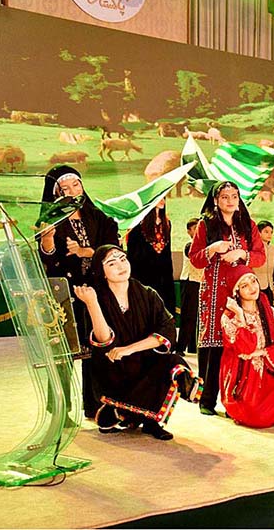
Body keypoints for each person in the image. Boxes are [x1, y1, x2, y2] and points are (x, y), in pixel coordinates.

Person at [74, 245, 202, 440]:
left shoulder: (147, 294)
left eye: (123, 258)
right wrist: (92, 304)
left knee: (172, 362)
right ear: (102, 272)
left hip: (142, 360)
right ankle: (119, 412)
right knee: (125, 366)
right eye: (112, 262)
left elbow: (166, 329)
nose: (120, 265)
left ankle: (148, 417)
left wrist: (130, 349)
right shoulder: (97, 296)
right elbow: (104, 343)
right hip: (114, 367)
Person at [38, 164, 120, 418]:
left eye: (76, 185)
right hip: (65, 294)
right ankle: (61, 408)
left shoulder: (99, 218)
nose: (72, 191)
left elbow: (114, 249)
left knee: (98, 349)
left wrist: (88, 252)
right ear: (56, 194)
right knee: (63, 351)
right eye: (64, 188)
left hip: (97, 293)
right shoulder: (50, 222)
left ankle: (96, 405)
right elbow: (48, 261)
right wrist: (48, 242)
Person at [189, 181, 265, 416]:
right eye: (224, 197)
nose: (230, 200)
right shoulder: (206, 225)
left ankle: (235, 400)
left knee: (239, 345)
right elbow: (195, 259)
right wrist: (213, 248)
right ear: (216, 200)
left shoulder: (248, 225)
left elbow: (260, 256)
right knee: (213, 345)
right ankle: (206, 400)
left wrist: (242, 253)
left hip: (241, 293)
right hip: (214, 294)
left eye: (234, 196)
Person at [220, 267, 274, 428]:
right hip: (243, 376)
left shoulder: (269, 312)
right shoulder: (230, 318)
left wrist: (263, 352)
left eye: (253, 281)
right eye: (244, 285)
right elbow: (246, 348)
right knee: (255, 413)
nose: (252, 288)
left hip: (267, 368)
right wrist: (240, 316)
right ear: (236, 291)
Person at [126, 199, 176, 332]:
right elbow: (133, 253)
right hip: (144, 273)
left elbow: (167, 251)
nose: (162, 201)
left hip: (163, 274)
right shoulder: (138, 225)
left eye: (164, 197)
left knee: (164, 305)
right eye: (158, 197)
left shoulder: (167, 223)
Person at [177, 217, 203, 356]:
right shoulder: (190, 245)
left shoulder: (205, 244)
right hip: (189, 282)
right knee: (188, 315)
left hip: (200, 282)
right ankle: (180, 347)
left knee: (198, 316)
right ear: (189, 232)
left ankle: (192, 347)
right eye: (195, 228)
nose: (199, 230)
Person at [253, 220, 274, 301]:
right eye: (266, 232)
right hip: (257, 286)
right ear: (259, 233)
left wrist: (273, 288)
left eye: (271, 232)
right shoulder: (253, 248)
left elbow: (272, 271)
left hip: (269, 288)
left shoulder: (272, 249)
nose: (269, 235)